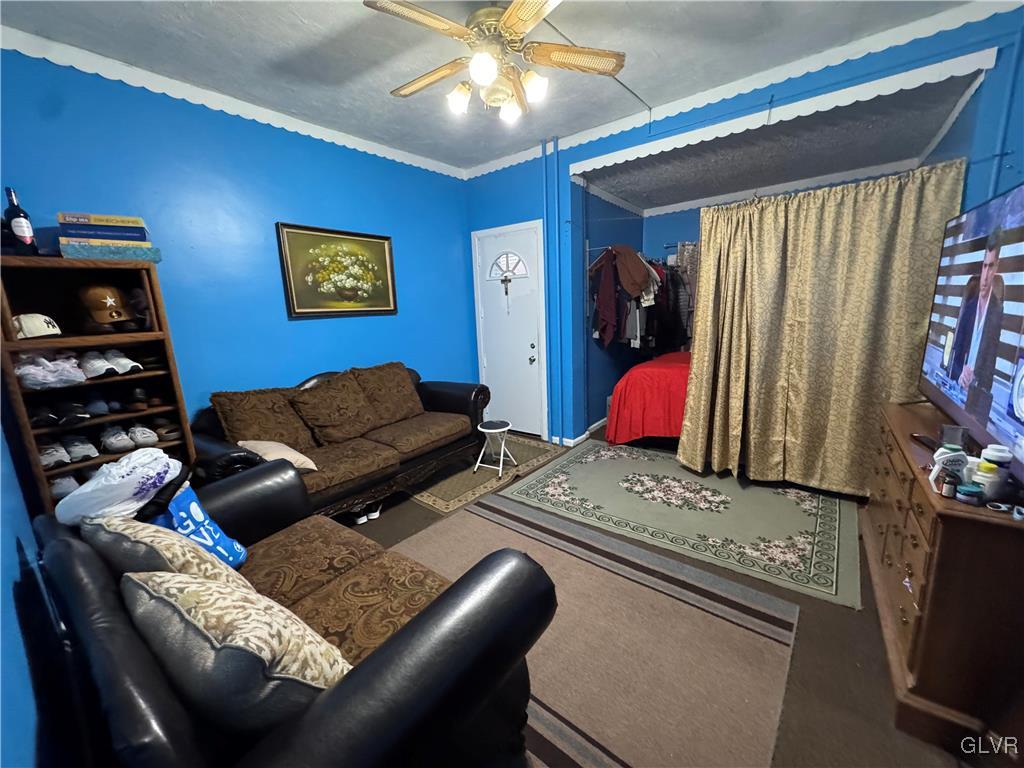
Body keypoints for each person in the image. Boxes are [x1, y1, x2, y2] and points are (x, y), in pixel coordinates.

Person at [949, 229, 1004, 418]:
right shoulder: (970, 305)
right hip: (954, 394)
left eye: (991, 267)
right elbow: (954, 359)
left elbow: (989, 374)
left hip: (974, 406)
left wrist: (975, 381)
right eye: (984, 266)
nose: (986, 275)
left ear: (997, 268)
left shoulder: (997, 313)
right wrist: (960, 375)